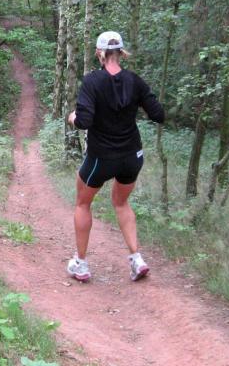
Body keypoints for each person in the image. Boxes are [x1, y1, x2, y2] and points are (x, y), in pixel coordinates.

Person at [66, 31, 165, 282]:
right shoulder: (135, 81)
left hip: (102, 157)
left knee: (82, 203)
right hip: (132, 156)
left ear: (99, 53)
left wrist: (73, 117)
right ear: (121, 53)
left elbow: (84, 120)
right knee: (121, 203)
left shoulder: (92, 81)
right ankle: (137, 259)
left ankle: (81, 264)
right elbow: (158, 114)